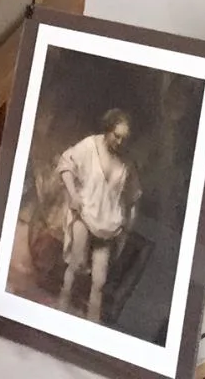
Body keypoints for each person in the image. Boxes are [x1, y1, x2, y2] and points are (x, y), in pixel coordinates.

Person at [55, 109, 141, 323]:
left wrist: (129, 222)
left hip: (109, 225)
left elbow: (133, 195)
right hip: (85, 213)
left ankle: (92, 324)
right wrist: (73, 195)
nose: (120, 142)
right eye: (116, 136)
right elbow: (66, 164)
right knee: (76, 264)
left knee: (100, 281)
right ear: (108, 130)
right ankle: (61, 309)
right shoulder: (90, 146)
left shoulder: (127, 162)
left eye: (124, 138)